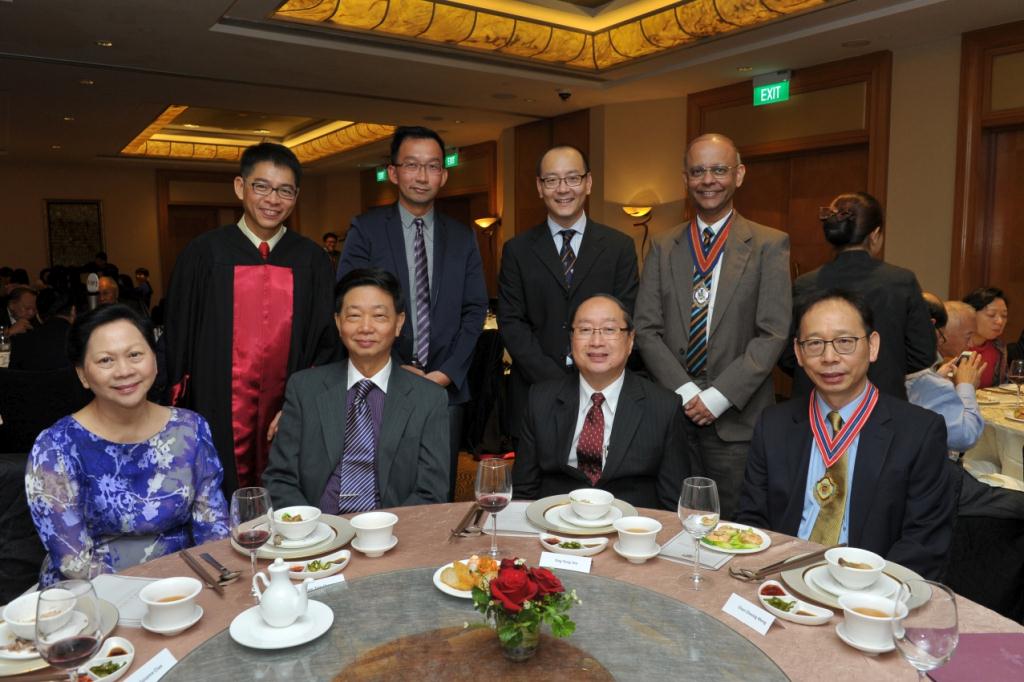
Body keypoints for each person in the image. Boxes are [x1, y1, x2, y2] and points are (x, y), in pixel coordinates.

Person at [737, 289, 954, 579]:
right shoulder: (773, 424)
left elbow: (924, 544)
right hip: (781, 579)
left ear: (872, 346)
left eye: (845, 342)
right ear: (798, 353)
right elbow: (752, 521)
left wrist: (864, 590)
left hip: (869, 588)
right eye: (815, 343)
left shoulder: (919, 432)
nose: (829, 357)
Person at [165, 142, 339, 495]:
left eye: (285, 190)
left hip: (290, 412)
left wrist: (301, 405)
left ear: (296, 196)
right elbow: (178, 336)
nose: (273, 199)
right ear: (240, 187)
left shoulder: (312, 260)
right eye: (262, 186)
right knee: (219, 495)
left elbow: (328, 343)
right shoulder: (204, 254)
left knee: (289, 500)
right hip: (216, 407)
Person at [634, 133, 790, 520]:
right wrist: (687, 393)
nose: (708, 180)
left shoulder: (769, 245)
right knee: (667, 520)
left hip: (736, 419)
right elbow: (646, 329)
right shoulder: (662, 245)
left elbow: (772, 333)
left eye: (719, 170)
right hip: (672, 413)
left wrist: (718, 396)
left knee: (733, 526)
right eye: (698, 171)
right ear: (685, 178)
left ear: (739, 174)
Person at [25, 305, 229, 586]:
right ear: (82, 374)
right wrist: (148, 595)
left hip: (186, 586)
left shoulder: (191, 429)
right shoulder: (55, 447)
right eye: (106, 360)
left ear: (154, 359)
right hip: (93, 594)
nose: (124, 371)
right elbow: (73, 561)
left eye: (134, 355)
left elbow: (213, 527)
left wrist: (200, 585)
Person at [338, 126, 487, 500]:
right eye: (412, 165)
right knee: (380, 488)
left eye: (432, 166)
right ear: (393, 172)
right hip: (382, 383)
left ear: (444, 175)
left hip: (445, 391)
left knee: (439, 493)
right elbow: (349, 304)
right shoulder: (366, 229)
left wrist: (446, 373)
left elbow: (475, 310)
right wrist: (394, 367)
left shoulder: (462, 235)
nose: (422, 176)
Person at [263, 268, 450, 511]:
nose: (365, 327)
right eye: (354, 316)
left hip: (393, 528)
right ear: (338, 322)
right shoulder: (304, 389)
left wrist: (383, 528)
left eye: (379, 316)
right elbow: (279, 479)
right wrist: (313, 527)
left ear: (398, 323)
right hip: (318, 527)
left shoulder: (429, 399)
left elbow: (432, 491)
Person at [498, 144, 638, 447]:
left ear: (588, 182)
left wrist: (590, 378)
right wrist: (556, 382)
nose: (563, 189)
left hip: (605, 392)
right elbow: (511, 323)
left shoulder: (619, 247)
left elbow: (625, 319)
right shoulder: (517, 250)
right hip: (535, 393)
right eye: (552, 180)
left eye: (573, 178)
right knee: (534, 477)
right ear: (539, 187)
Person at [512, 295, 689, 510]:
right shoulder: (540, 400)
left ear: (630, 340)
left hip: (631, 525)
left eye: (609, 329)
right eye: (585, 330)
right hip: (556, 523)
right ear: (572, 339)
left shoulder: (664, 407)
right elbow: (523, 493)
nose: (596, 342)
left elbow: (675, 504)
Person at [781, 192, 935, 399]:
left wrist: (828, 371)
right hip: (882, 399)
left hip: (816, 400)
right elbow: (923, 354)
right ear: (875, 234)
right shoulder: (900, 281)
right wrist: (887, 365)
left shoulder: (804, 284)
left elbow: (787, 354)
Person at [906, 298, 985, 453]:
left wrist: (937, 377)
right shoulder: (922, 376)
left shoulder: (896, 363)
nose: (971, 344)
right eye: (968, 336)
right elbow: (964, 437)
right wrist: (966, 385)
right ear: (942, 333)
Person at [9, 288, 76, 371]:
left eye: (34, 310)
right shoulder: (81, 338)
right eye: (27, 308)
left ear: (39, 315)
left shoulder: (21, 342)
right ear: (73, 311)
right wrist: (8, 332)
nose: (31, 313)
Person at [963, 286, 1009, 388]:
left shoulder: (999, 348)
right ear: (970, 314)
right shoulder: (954, 345)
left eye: (1004, 316)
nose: (1000, 321)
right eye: (991, 315)